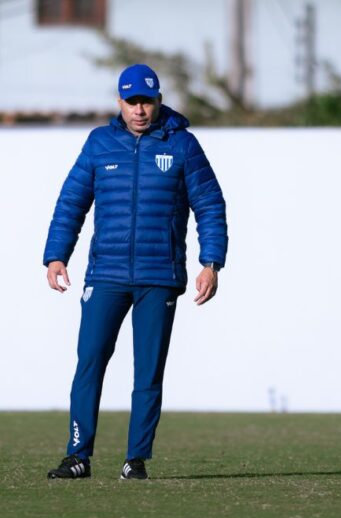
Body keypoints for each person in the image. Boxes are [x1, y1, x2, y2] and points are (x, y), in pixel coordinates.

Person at [43, 64, 228, 480]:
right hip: (105, 275)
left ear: (159, 101)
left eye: (147, 101)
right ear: (119, 103)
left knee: (147, 371)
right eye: (132, 102)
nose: (140, 110)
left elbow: (210, 205)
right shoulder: (99, 144)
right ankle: (77, 456)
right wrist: (57, 256)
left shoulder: (183, 146)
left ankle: (136, 459)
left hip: (158, 275)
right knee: (90, 361)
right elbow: (71, 202)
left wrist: (210, 263)